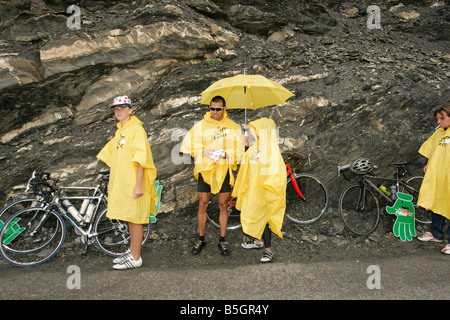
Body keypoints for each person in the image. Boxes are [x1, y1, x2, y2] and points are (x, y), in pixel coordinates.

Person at [97, 96, 158, 269]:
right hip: (124, 183)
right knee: (130, 218)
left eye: (123, 107)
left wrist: (139, 184)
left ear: (130, 110)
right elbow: (114, 158)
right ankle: (132, 251)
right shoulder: (121, 131)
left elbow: (141, 159)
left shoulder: (136, 130)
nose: (119, 111)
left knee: (136, 219)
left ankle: (136, 258)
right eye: (116, 108)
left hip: (133, 183)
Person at [180, 96, 244, 255]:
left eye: (218, 109)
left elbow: (240, 150)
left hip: (222, 170)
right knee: (203, 204)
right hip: (206, 170)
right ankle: (201, 239)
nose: (214, 112)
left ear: (224, 109)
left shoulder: (233, 127)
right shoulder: (201, 125)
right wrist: (203, 151)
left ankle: (222, 240)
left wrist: (225, 154)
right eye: (212, 108)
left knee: (223, 205)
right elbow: (189, 144)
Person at [232, 118, 286, 262]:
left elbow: (277, 172)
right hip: (254, 190)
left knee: (264, 218)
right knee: (255, 214)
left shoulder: (271, 150)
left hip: (265, 190)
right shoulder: (256, 147)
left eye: (258, 131)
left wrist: (268, 188)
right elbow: (249, 165)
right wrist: (245, 147)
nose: (255, 133)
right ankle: (257, 241)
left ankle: (268, 250)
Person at [417, 104, 450, 255]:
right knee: (437, 204)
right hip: (438, 177)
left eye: (441, 119)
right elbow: (430, 150)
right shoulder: (439, 133)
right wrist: (427, 164)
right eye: (438, 119)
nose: (439, 122)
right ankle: (436, 233)